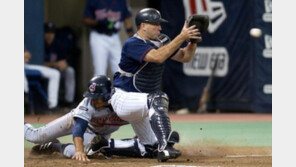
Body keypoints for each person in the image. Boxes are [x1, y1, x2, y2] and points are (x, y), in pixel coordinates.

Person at [110, 8, 201, 162]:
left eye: (159, 24)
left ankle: (104, 145)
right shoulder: (133, 43)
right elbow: (157, 57)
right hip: (123, 99)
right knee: (158, 97)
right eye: (155, 24)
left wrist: (192, 41)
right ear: (143, 25)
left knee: (149, 147)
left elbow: (185, 56)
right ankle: (165, 146)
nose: (159, 27)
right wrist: (181, 36)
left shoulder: (162, 40)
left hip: (142, 102)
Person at [25, 75, 174, 162]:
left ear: (107, 95)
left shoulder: (123, 104)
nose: (93, 100)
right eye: (91, 97)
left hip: (98, 134)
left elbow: (142, 115)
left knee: (91, 154)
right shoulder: (88, 104)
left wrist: (143, 133)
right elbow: (79, 128)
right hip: (75, 122)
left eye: (97, 98)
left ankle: (54, 146)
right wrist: (79, 150)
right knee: (36, 136)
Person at [83, 0, 135, 76]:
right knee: (100, 71)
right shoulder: (93, 1)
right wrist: (98, 22)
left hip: (114, 36)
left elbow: (127, 20)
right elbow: (85, 20)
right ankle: (99, 88)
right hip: (98, 36)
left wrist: (134, 40)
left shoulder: (121, 2)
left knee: (120, 69)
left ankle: (119, 88)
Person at [43, 22, 76, 104]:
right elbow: (40, 63)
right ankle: (52, 103)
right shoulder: (40, 44)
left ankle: (69, 101)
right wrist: (55, 64)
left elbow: (65, 59)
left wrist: (65, 63)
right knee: (55, 74)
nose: (49, 35)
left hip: (56, 69)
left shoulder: (58, 43)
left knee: (70, 71)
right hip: (45, 69)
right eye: (47, 33)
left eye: (52, 33)